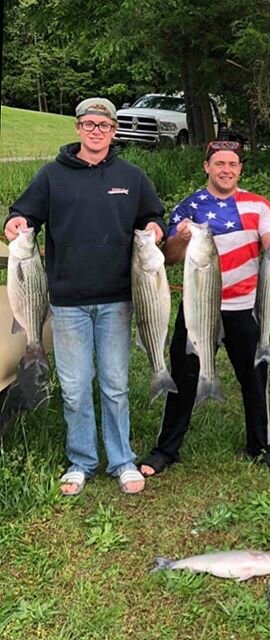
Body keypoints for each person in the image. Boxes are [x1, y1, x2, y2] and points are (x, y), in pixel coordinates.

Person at [4, 97, 166, 496]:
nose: (97, 131)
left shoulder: (131, 175)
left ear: (114, 131)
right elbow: (22, 214)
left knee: (115, 384)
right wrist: (16, 223)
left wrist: (155, 231)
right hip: (65, 302)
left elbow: (153, 216)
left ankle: (122, 459)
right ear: (77, 128)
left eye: (105, 125)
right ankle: (81, 460)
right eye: (89, 124)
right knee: (75, 388)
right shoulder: (51, 176)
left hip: (118, 299)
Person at [139, 140, 270, 477]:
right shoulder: (189, 206)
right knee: (182, 376)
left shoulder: (257, 205)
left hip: (245, 307)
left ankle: (260, 444)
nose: (226, 170)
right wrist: (178, 237)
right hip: (198, 308)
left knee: (254, 379)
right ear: (207, 167)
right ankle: (166, 449)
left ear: (240, 169)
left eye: (233, 164)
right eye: (219, 163)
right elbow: (169, 258)